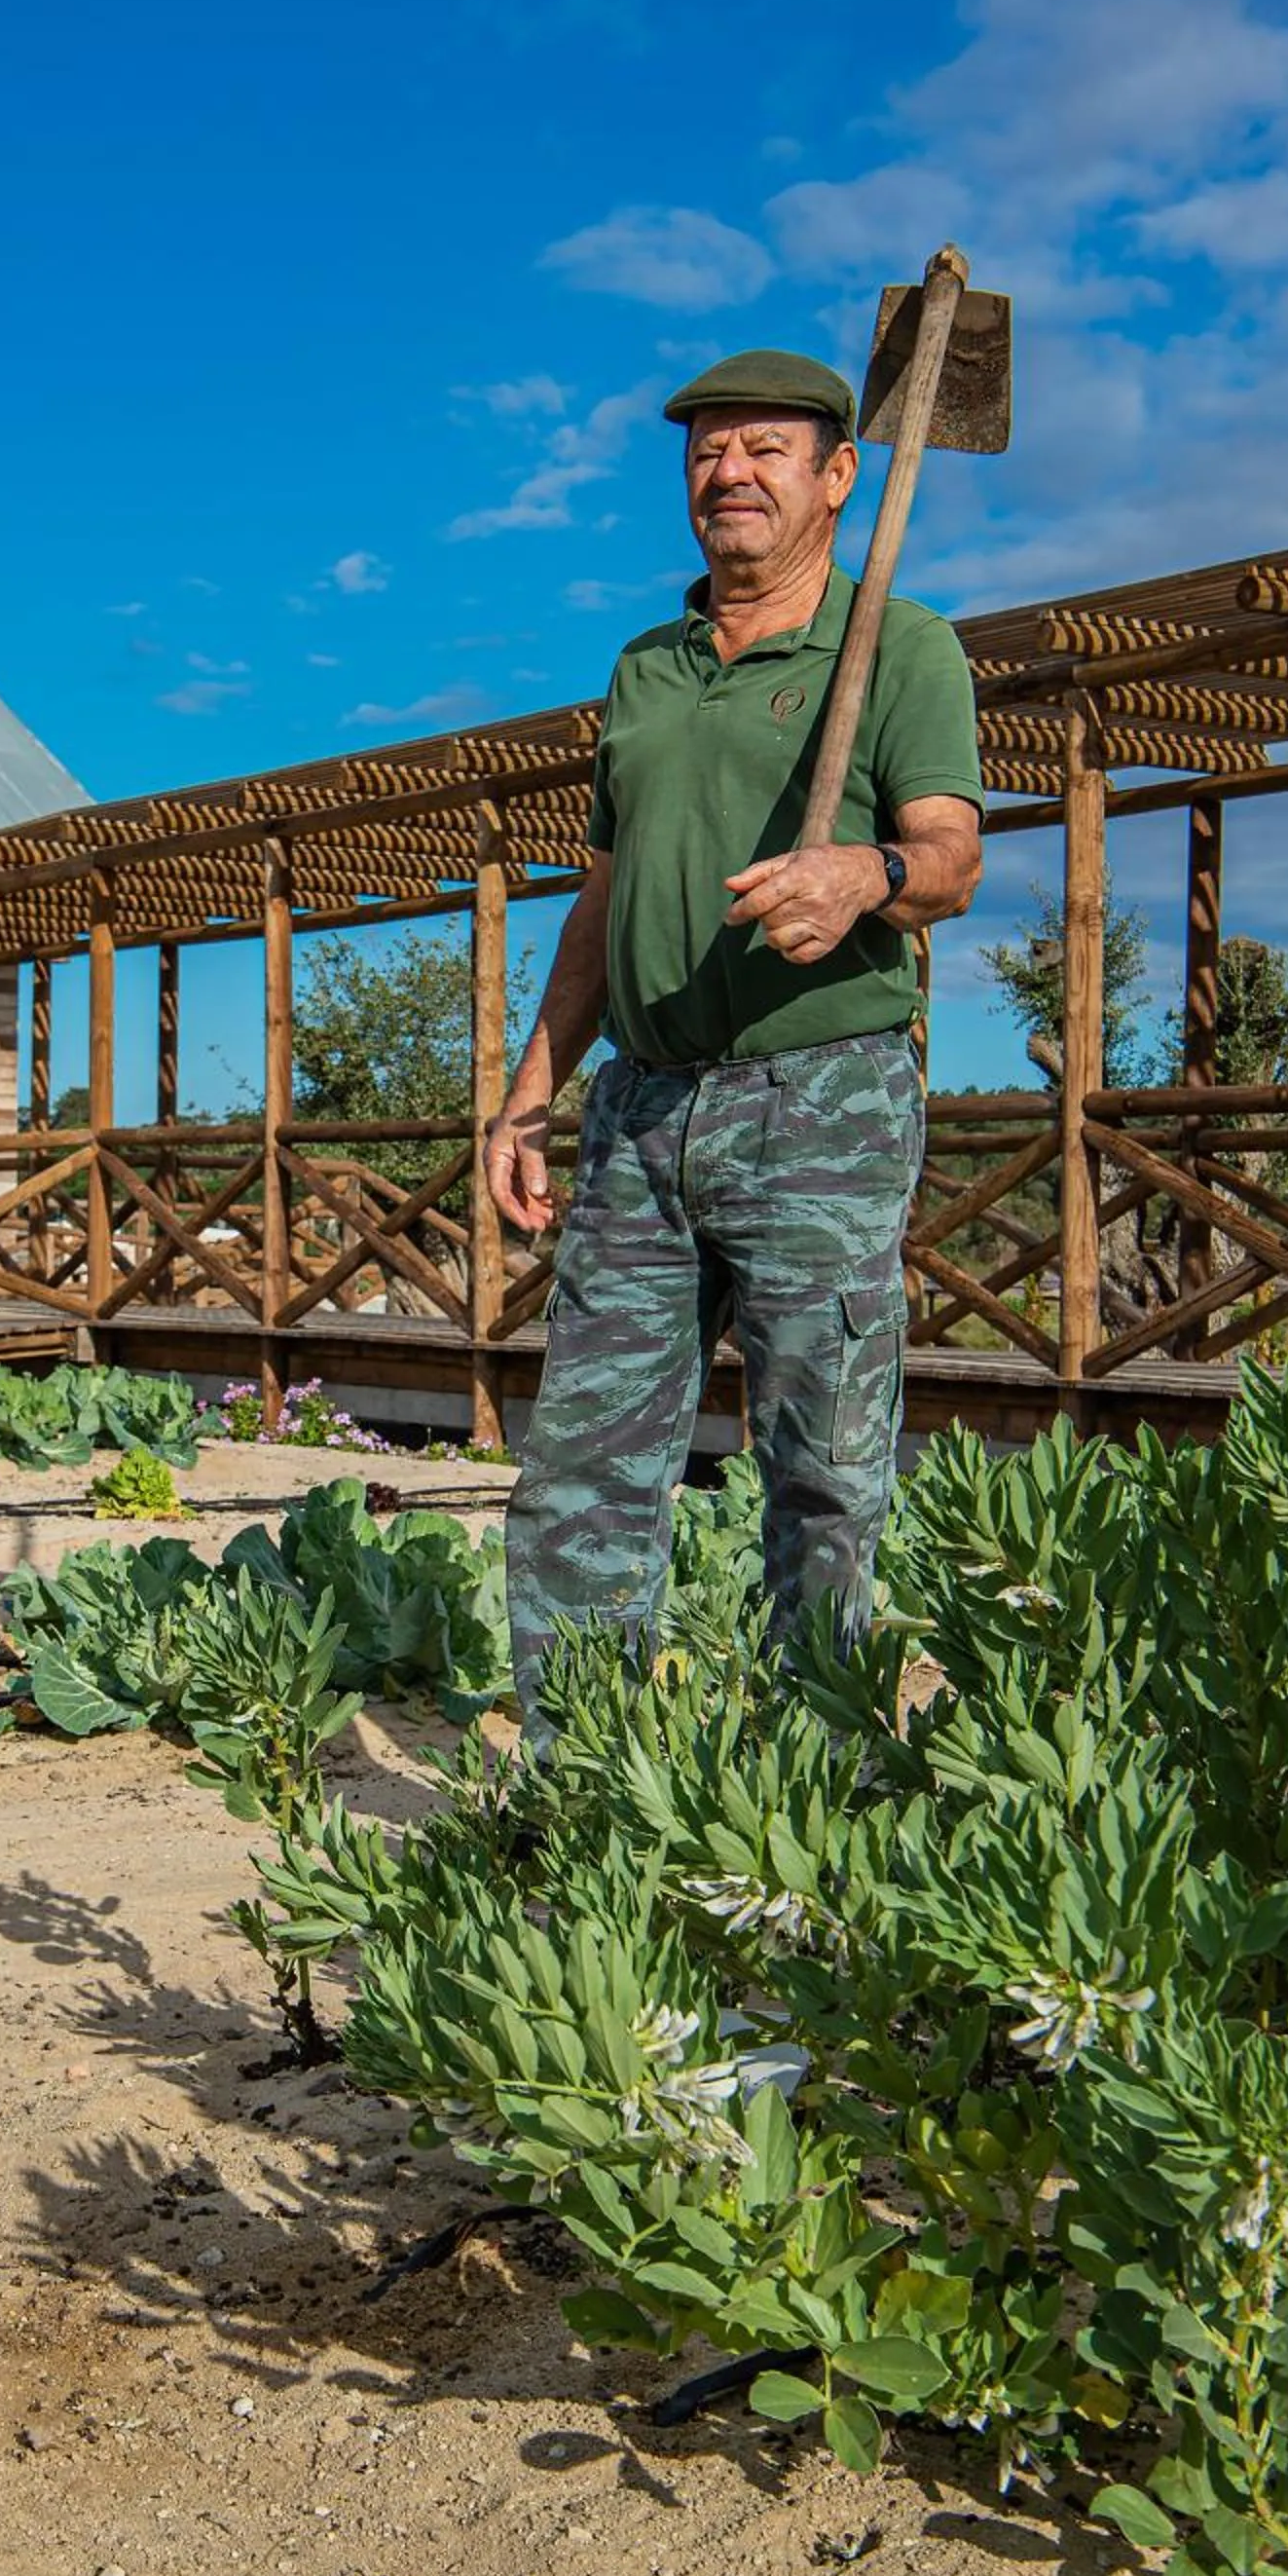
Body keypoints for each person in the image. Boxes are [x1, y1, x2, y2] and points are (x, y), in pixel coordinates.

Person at [485, 348, 983, 1744]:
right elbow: (605, 889)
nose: (731, 473)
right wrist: (533, 1092)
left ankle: (816, 1770)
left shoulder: (899, 645)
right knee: (582, 1463)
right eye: (708, 451)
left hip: (817, 1098)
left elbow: (954, 855)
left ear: (839, 477)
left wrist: (863, 878)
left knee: (821, 1461)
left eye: (769, 449)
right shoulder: (645, 666)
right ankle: (588, 1776)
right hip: (642, 1108)